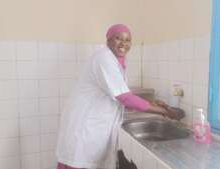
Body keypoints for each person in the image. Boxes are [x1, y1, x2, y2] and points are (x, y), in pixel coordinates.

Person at [56, 24, 181, 169]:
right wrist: (165, 112)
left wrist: (153, 103)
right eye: (118, 38)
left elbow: (121, 94)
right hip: (85, 126)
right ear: (108, 40)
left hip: (92, 125)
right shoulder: (104, 58)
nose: (123, 43)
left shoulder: (114, 61)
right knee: (77, 162)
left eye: (127, 40)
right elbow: (124, 97)